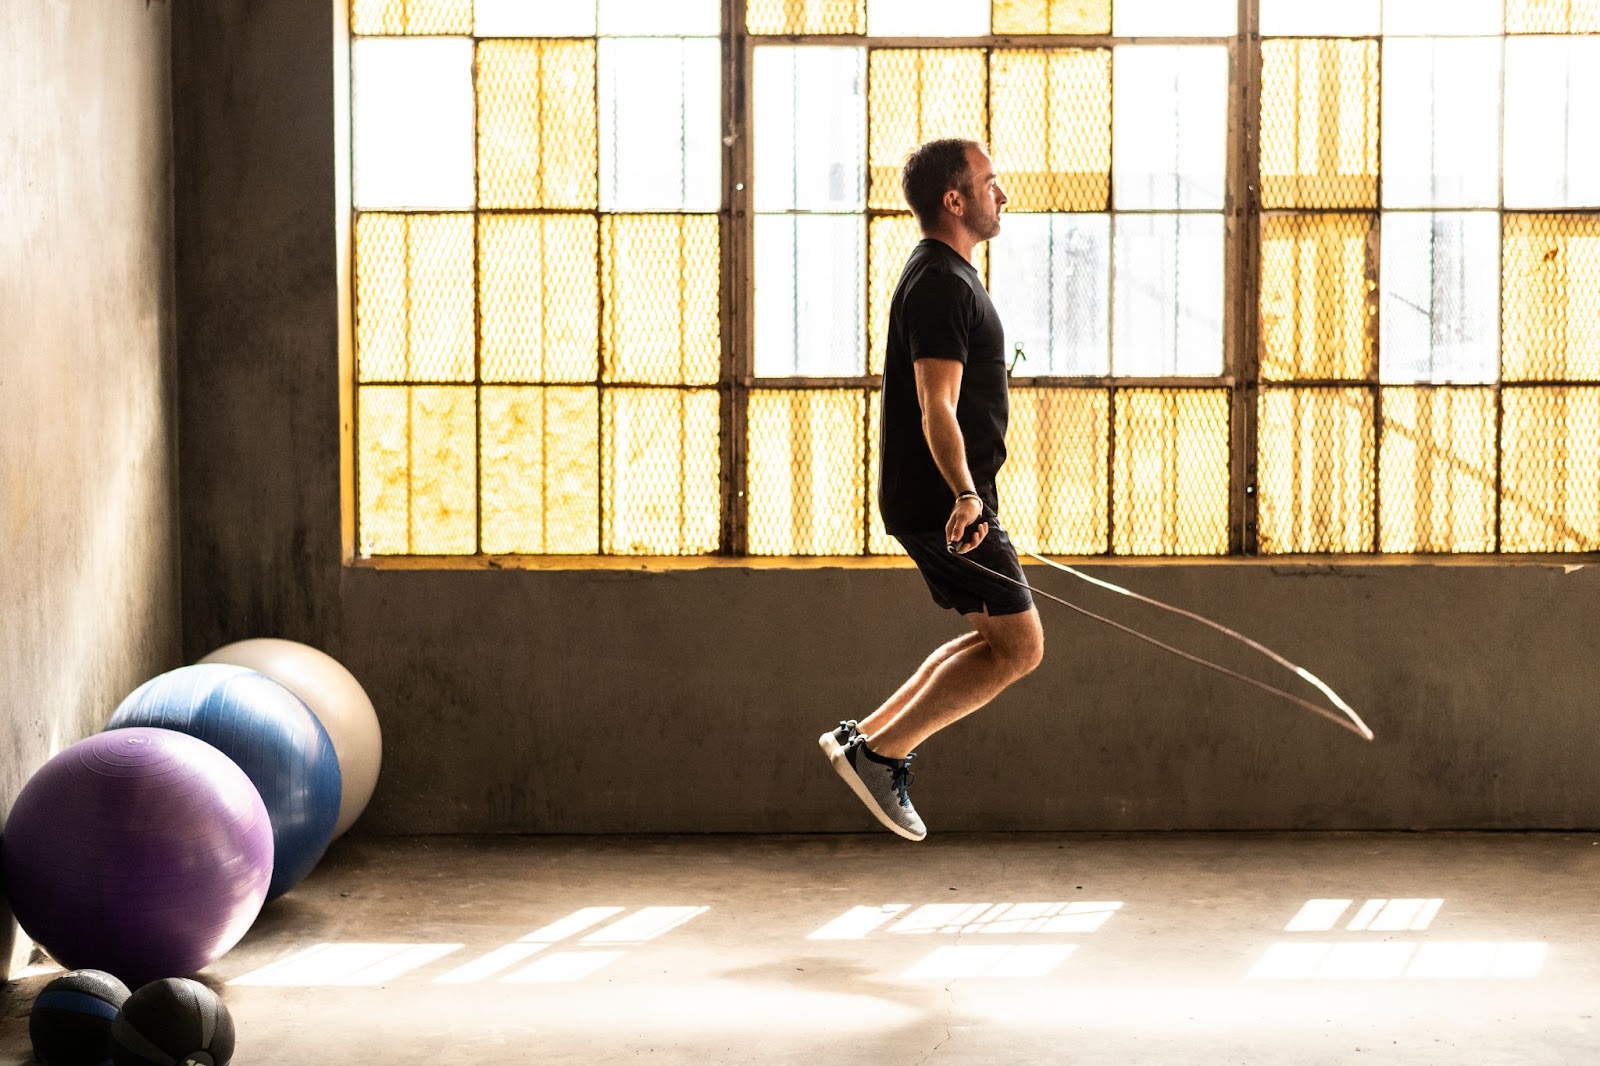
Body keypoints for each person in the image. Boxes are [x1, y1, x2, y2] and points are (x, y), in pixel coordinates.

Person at [819, 138, 1044, 841]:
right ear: (956, 200)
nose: (1000, 194)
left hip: (947, 502)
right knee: (1019, 648)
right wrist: (967, 497)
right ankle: (881, 755)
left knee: (993, 638)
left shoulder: (944, 276)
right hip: (948, 505)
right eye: (989, 182)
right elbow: (934, 404)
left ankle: (869, 739)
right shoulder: (943, 282)